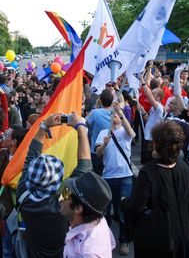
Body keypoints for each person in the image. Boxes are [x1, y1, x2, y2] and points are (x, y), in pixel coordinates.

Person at [123, 120, 189, 257]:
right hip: (182, 233)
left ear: (157, 144)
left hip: (156, 238)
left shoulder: (148, 172)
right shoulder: (186, 167)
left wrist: (124, 202)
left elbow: (135, 208)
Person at [15, 112, 92, 258]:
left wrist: (44, 126)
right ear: (58, 180)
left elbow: (31, 155)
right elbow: (84, 167)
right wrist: (80, 126)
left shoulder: (23, 193)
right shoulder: (62, 200)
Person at [95, 102, 137, 255]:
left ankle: (124, 241)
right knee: (105, 212)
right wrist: (104, 145)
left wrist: (121, 112)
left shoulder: (124, 132)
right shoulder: (102, 133)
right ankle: (106, 240)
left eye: (117, 116)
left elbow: (132, 133)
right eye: (113, 115)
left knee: (123, 212)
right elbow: (98, 154)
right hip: (107, 176)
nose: (115, 118)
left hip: (125, 176)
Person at [60, 172, 116, 258]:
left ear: (78, 208)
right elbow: (112, 243)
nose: (61, 198)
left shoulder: (85, 254)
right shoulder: (100, 220)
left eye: (66, 194)